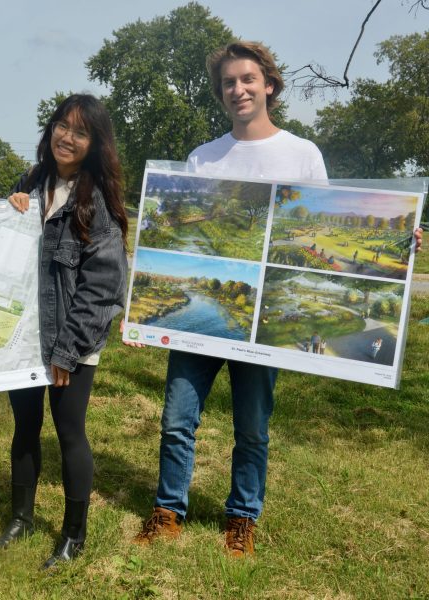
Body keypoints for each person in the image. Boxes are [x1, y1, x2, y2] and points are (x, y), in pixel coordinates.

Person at [131, 41, 421, 557]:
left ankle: (242, 517)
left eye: (246, 79)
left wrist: (403, 240)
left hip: (266, 318)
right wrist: (143, 315)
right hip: (204, 320)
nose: (237, 90)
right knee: (177, 418)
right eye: (227, 83)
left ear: (268, 84)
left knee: (253, 427)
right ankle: (168, 509)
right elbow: (176, 239)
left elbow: (323, 217)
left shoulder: (302, 153)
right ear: (220, 92)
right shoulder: (203, 157)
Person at [0, 94, 128, 568]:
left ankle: (73, 535)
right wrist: (9, 212)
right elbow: (0, 257)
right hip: (24, 335)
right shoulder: (30, 182)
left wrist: (66, 352)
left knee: (70, 433)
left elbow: (103, 287)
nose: (68, 137)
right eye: (62, 126)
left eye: (81, 131)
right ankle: (20, 519)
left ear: (94, 143)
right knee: (24, 428)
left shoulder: (96, 201)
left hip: (72, 341)